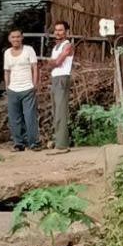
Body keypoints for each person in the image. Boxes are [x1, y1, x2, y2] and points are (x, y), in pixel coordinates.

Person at [2, 27, 39, 152]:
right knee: (14, 118)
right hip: (13, 89)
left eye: (18, 37)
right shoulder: (7, 53)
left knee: (30, 117)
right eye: (13, 37)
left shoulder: (29, 50)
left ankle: (33, 143)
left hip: (27, 88)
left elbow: (34, 67)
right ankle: (18, 144)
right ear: (9, 39)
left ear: (22, 37)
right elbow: (7, 71)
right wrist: (7, 87)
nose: (16, 39)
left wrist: (34, 84)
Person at [46, 19, 75, 152]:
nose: (57, 32)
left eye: (60, 30)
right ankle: (58, 140)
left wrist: (51, 62)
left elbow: (58, 62)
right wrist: (52, 62)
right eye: (56, 30)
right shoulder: (56, 47)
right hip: (55, 78)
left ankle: (62, 145)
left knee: (61, 112)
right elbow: (53, 63)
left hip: (62, 78)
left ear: (66, 32)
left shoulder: (67, 45)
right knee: (55, 110)